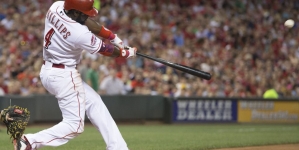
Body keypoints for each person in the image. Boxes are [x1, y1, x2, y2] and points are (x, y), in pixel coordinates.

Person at [14, 0, 136, 150]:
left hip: (49, 71)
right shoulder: (78, 33)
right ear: (76, 12)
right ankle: (30, 141)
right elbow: (105, 50)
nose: (88, 16)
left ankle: (118, 147)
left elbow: (86, 21)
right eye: (84, 13)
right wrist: (126, 53)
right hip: (64, 75)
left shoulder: (57, 6)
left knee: (95, 102)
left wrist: (113, 37)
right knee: (74, 125)